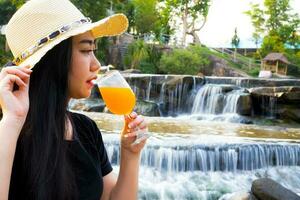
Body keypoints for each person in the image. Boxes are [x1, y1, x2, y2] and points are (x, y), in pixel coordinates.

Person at [0, 0, 148, 199]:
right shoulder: (9, 132)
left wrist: (131, 154)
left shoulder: (87, 129)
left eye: (93, 50)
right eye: (86, 50)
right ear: (53, 59)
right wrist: (12, 121)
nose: (97, 65)